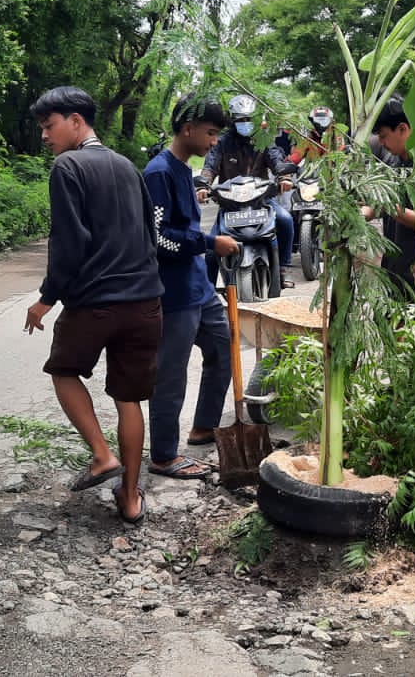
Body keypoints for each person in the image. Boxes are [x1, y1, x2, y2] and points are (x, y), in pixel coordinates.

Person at [24, 86, 163, 524]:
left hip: (95, 302)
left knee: (63, 371)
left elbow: (69, 241)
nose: (45, 136)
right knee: (129, 399)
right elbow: (149, 233)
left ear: (75, 121)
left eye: (49, 125)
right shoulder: (128, 166)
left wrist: (46, 299)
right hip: (145, 302)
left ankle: (103, 456)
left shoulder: (68, 166)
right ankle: (131, 498)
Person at [142, 94, 236, 480]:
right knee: (171, 373)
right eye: (210, 133)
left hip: (199, 288)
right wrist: (210, 243)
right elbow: (157, 238)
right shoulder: (159, 173)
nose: (214, 142)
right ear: (187, 129)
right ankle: (164, 456)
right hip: (174, 294)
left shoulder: (185, 170)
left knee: (223, 348)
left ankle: (204, 427)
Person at [199, 94, 298, 287]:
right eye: (241, 119)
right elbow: (210, 166)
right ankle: (207, 290)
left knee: (286, 220)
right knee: (211, 250)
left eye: (249, 119)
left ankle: (283, 268)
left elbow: (276, 159)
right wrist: (203, 185)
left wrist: (284, 177)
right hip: (230, 205)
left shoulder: (264, 140)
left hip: (261, 200)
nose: (245, 123)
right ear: (232, 120)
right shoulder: (222, 142)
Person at [363, 95, 415, 297]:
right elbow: (375, 207)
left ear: (402, 129)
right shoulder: (392, 163)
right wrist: (357, 215)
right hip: (393, 270)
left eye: (384, 136)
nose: (380, 142)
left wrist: (389, 206)